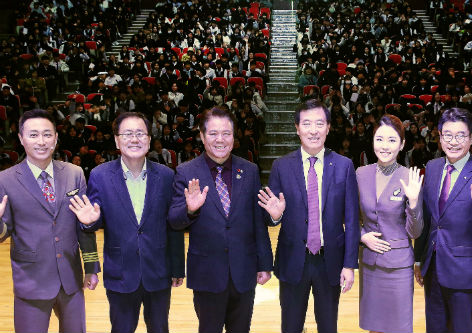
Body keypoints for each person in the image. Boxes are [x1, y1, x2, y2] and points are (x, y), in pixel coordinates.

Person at [69, 112, 185, 333]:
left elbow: (173, 225)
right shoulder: (99, 175)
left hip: (158, 272)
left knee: (160, 329)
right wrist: (89, 223)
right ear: (116, 140)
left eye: (140, 133)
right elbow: (93, 220)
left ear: (149, 139)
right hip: (120, 273)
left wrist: (177, 266)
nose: (134, 139)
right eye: (128, 134)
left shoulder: (166, 176)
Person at [257, 99, 360, 333]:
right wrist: (274, 216)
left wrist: (349, 264)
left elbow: (353, 221)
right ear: (297, 128)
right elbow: (269, 217)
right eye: (306, 124)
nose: (313, 130)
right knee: (291, 326)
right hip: (293, 259)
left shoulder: (344, 166)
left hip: (330, 261)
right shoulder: (281, 166)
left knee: (328, 326)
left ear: (328, 127)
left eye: (319, 123)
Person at [168, 107, 273, 333]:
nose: (220, 140)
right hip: (207, 273)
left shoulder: (250, 170)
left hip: (244, 272)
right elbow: (174, 221)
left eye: (226, 133)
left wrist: (264, 263)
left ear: (234, 137)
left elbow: (257, 221)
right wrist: (190, 209)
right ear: (202, 136)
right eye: (213, 133)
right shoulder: (186, 172)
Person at [0, 109, 100, 333]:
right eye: (33, 135)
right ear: (21, 138)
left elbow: (84, 227)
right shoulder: (5, 180)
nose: (41, 141)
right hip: (31, 280)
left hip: (71, 280)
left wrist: (92, 267)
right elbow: (4, 232)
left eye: (47, 134)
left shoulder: (74, 173)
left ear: (56, 138)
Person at [414, 107, 472, 333]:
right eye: (448, 135)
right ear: (440, 137)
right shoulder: (432, 169)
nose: (453, 141)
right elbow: (428, 221)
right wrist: (418, 260)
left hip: (464, 273)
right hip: (432, 269)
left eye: (461, 135)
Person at [356, 114, 424, 333]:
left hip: (399, 266)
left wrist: (413, 203)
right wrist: (361, 235)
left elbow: (415, 232)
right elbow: (346, 217)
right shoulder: (360, 174)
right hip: (369, 264)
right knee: (374, 327)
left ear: (402, 144)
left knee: (398, 327)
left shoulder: (409, 176)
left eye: (392, 140)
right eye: (380, 139)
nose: (385, 146)